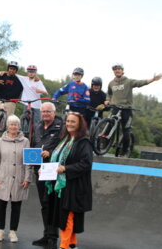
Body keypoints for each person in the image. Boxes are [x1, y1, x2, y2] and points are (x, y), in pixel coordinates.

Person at [45, 112, 93, 249]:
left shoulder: (83, 141)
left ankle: (64, 246)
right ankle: (71, 244)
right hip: (64, 184)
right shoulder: (65, 140)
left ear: (79, 124)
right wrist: (46, 170)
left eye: (73, 122)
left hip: (75, 185)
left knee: (67, 215)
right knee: (68, 214)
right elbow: (57, 160)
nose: (69, 124)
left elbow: (86, 163)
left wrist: (66, 169)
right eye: (68, 121)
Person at [105, 63, 162, 156]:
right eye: (115, 69)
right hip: (115, 108)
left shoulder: (128, 81)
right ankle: (103, 146)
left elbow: (140, 83)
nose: (117, 70)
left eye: (119, 69)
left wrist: (152, 80)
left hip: (126, 110)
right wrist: (107, 100)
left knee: (126, 130)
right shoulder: (111, 83)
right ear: (113, 71)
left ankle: (124, 151)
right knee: (108, 124)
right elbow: (109, 93)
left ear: (122, 70)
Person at [0, 115, 32, 243]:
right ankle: (0, 230)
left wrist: (27, 178)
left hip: (19, 178)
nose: (13, 127)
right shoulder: (0, 141)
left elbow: (28, 162)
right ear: (7, 126)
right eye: (11, 124)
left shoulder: (25, 141)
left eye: (16, 124)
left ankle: (13, 231)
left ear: (19, 127)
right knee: (1, 205)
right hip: (3, 178)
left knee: (16, 205)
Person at [32, 102, 63, 247]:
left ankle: (53, 238)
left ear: (54, 112)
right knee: (44, 204)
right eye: (43, 111)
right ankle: (46, 235)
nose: (45, 114)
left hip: (51, 169)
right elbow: (34, 144)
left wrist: (50, 153)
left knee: (51, 203)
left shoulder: (60, 127)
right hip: (38, 169)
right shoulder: (38, 126)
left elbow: (62, 146)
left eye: (48, 112)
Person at [0, 61, 23, 126]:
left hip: (10, 101)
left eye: (14, 69)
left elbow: (21, 89)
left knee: (9, 120)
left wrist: (16, 100)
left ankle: (6, 135)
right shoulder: (1, 76)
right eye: (11, 68)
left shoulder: (18, 80)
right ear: (8, 69)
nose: (12, 70)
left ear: (16, 71)